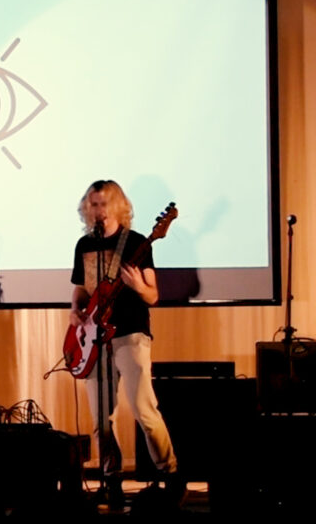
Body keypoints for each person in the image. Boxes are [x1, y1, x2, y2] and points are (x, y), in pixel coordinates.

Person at [68, 179, 183, 507]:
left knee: (143, 407)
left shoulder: (135, 243)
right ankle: (111, 478)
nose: (97, 210)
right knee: (99, 417)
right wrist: (75, 310)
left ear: (117, 206)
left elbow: (153, 295)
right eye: (93, 204)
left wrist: (136, 285)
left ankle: (170, 472)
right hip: (94, 338)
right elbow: (81, 288)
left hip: (130, 333)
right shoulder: (84, 245)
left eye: (103, 204)